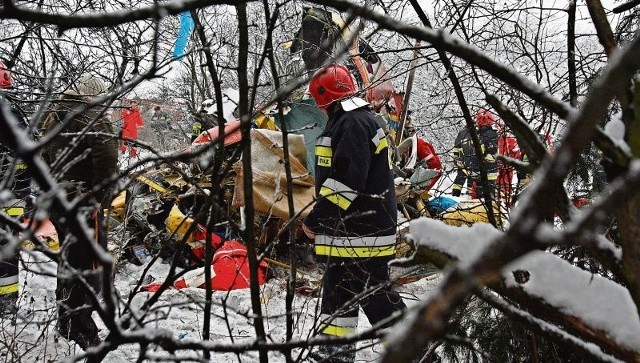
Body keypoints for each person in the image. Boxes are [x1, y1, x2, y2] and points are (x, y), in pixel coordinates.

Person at [302, 64, 405, 363]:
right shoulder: (352, 121)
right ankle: (333, 354)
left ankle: (415, 350)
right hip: (353, 231)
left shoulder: (351, 124)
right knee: (339, 297)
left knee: (376, 298)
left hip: (361, 233)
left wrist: (316, 219)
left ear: (323, 98)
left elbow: (345, 182)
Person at [41, 73, 118, 349]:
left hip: (58, 202)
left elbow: (43, 158)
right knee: (89, 266)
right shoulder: (93, 118)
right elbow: (108, 160)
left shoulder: (53, 116)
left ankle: (67, 321)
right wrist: (101, 197)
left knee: (68, 261)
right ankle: (82, 329)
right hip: (85, 204)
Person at [0, 61, 32, 316]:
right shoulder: (10, 113)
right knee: (6, 251)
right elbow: (24, 156)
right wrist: (24, 193)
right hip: (9, 196)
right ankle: (6, 303)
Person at [451, 108, 498, 199]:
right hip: (483, 169)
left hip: (476, 168)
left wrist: (458, 161)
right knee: (485, 196)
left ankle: (456, 196)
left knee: (463, 182)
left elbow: (486, 152)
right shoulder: (489, 133)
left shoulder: (472, 133)